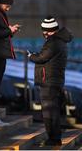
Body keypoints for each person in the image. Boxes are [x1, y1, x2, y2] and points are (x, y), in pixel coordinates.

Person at [27, 16, 73, 146]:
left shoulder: (54, 42)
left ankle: (53, 139)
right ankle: (54, 137)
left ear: (49, 30)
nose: (44, 34)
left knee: (49, 111)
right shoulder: (59, 41)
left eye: (46, 31)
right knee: (52, 110)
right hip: (54, 80)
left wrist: (31, 56)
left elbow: (42, 58)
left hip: (49, 81)